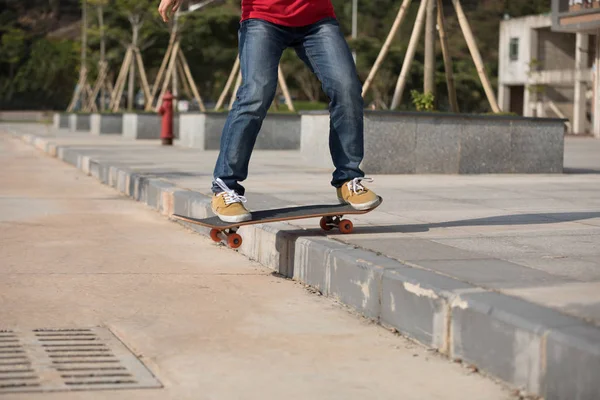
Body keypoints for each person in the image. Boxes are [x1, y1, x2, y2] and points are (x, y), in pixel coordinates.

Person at [159, 0, 380, 223]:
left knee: (347, 89)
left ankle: (348, 180)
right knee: (255, 93)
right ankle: (225, 187)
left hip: (317, 19)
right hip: (263, 18)